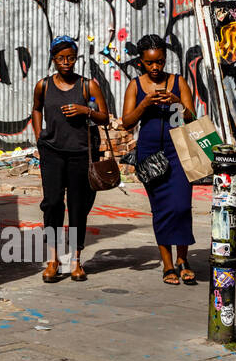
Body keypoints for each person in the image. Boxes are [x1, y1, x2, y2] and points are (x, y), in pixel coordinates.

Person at [120, 34, 198, 285]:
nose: (156, 68)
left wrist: (176, 102)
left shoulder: (178, 81)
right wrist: (144, 104)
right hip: (149, 152)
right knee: (161, 208)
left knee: (182, 206)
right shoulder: (135, 85)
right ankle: (167, 265)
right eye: (150, 63)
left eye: (160, 62)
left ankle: (183, 259)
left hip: (180, 150)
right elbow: (127, 122)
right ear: (141, 62)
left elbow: (192, 117)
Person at [32, 36, 109, 282]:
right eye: (60, 58)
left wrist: (85, 110)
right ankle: (53, 260)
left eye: (70, 58)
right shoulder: (43, 85)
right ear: (53, 59)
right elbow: (36, 109)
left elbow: (104, 117)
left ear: (76, 59)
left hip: (81, 154)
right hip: (52, 153)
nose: (66, 62)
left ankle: (76, 261)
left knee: (78, 207)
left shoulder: (88, 86)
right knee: (53, 204)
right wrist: (38, 137)